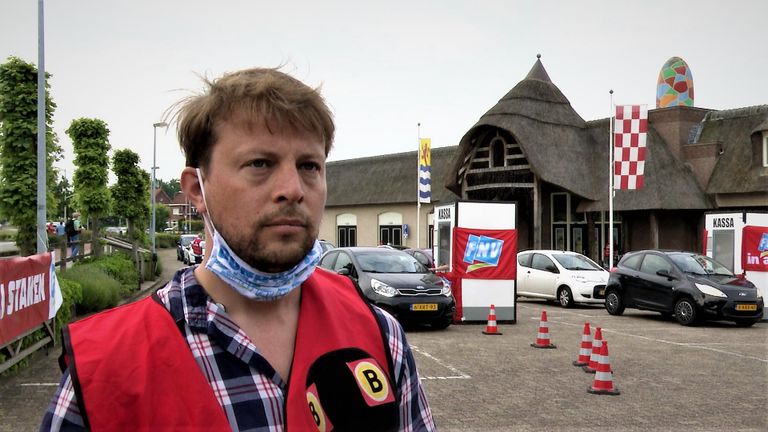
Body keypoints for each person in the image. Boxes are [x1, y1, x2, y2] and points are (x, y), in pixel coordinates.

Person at [41, 68, 436, 431]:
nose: (293, 189)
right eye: (260, 163)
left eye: (309, 166)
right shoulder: (106, 369)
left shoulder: (381, 335)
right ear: (197, 189)